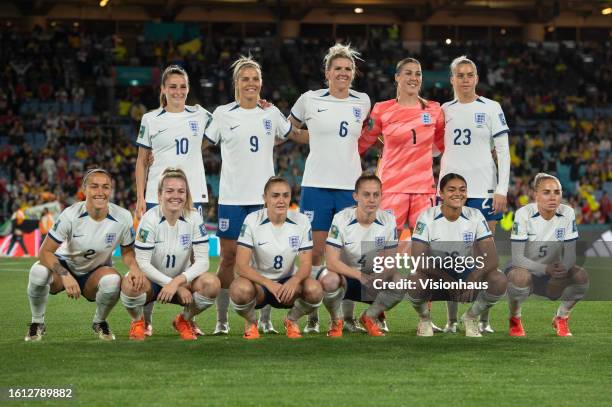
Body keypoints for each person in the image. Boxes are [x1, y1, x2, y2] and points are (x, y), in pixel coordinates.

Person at [205, 56, 304, 335]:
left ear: (261, 82)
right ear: (236, 82)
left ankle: (265, 319)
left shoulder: (270, 113)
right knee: (227, 258)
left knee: (265, 257)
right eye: (245, 78)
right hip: (232, 198)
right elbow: (203, 142)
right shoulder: (223, 114)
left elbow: (289, 133)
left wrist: (324, 136)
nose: (251, 83)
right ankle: (222, 320)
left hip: (265, 200)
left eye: (255, 78)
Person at [289, 43, 371, 333]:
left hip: (350, 187)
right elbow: (290, 130)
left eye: (348, 69)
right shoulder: (309, 100)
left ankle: (346, 318)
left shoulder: (363, 101)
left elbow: (371, 136)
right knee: (315, 254)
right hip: (316, 185)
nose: (343, 73)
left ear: (354, 73)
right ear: (327, 72)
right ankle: (312, 314)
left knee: (348, 256)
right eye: (337, 68)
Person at [134, 65, 212, 336]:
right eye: (173, 86)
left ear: (188, 89)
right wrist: (140, 197)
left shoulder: (200, 114)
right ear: (163, 90)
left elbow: (225, 124)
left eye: (182, 86)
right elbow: (142, 160)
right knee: (151, 258)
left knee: (193, 258)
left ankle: (187, 317)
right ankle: (146, 318)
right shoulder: (150, 119)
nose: (178, 91)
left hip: (192, 195)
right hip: (158, 195)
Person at [25, 169, 140, 341]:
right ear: (84, 189)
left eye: (105, 187)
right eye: (94, 187)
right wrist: (65, 275)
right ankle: (37, 322)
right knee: (38, 272)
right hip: (64, 266)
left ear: (111, 190)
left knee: (113, 281)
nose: (100, 192)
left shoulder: (123, 217)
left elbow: (128, 251)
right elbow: (45, 252)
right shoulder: (70, 215)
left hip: (95, 272)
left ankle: (99, 322)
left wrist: (134, 267)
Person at [440, 56, 511, 334]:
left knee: (484, 259)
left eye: (470, 74)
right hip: (449, 192)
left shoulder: (492, 108)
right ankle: (452, 319)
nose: (466, 79)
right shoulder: (444, 110)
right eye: (460, 75)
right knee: (450, 257)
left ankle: (482, 317)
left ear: (477, 78)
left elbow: (503, 151)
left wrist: (501, 189)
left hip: (483, 191)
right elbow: (432, 148)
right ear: (452, 79)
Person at [121, 168, 220, 341]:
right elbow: (142, 263)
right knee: (130, 283)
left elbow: (203, 262)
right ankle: (138, 321)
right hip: (151, 282)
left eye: (181, 191)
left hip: (181, 281)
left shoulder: (194, 218)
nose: (176, 195)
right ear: (159, 195)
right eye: (169, 191)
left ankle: (184, 320)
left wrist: (178, 282)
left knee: (212, 283)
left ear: (187, 195)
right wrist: (174, 285)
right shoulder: (149, 219)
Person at [405, 173, 507, 337]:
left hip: (466, 276)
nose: (458, 193)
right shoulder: (427, 216)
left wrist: (473, 277)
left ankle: (470, 317)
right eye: (451, 189)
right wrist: (449, 281)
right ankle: (424, 320)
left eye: (462, 189)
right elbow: (418, 259)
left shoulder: (475, 215)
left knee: (499, 279)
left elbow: (492, 258)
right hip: (437, 277)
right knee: (414, 281)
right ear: (441, 194)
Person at [230, 176, 322, 339]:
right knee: (239, 290)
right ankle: (251, 322)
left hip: (288, 284)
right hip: (259, 286)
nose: (281, 200)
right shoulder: (252, 220)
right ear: (265, 198)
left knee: (315, 290)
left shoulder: (302, 220)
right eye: (275, 195)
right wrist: (269, 284)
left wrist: (293, 281)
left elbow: (306, 264)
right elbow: (241, 266)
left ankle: (291, 320)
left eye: (286, 195)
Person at [317, 174, 405, 337]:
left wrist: (379, 277)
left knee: (399, 282)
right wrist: (360, 276)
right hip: (346, 278)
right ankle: (336, 320)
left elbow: (391, 262)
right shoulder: (341, 219)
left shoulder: (389, 220)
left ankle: (369, 317)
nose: (371, 199)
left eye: (376, 194)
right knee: (329, 280)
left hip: (372, 279)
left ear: (381, 196)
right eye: (366, 194)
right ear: (355, 196)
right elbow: (331, 262)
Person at [507, 173, 588, 337]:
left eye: (557, 192)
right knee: (520, 278)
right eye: (546, 192)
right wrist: (545, 268)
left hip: (551, 272)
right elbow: (517, 258)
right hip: (524, 270)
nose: (553, 197)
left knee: (581, 276)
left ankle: (561, 317)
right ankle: (515, 318)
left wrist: (564, 267)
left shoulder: (568, 213)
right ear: (535, 194)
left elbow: (570, 253)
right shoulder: (523, 214)